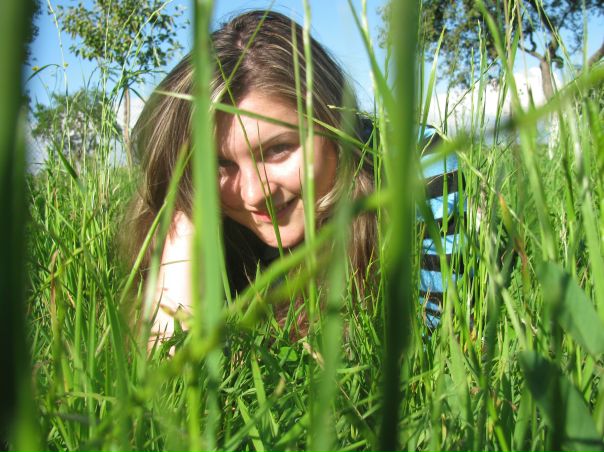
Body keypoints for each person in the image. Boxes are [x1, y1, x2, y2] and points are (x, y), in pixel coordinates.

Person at [125, 10, 378, 345]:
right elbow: (169, 373)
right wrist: (182, 234)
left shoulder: (427, 184)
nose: (253, 194)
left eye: (278, 149)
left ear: (337, 128)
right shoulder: (225, 232)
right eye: (218, 164)